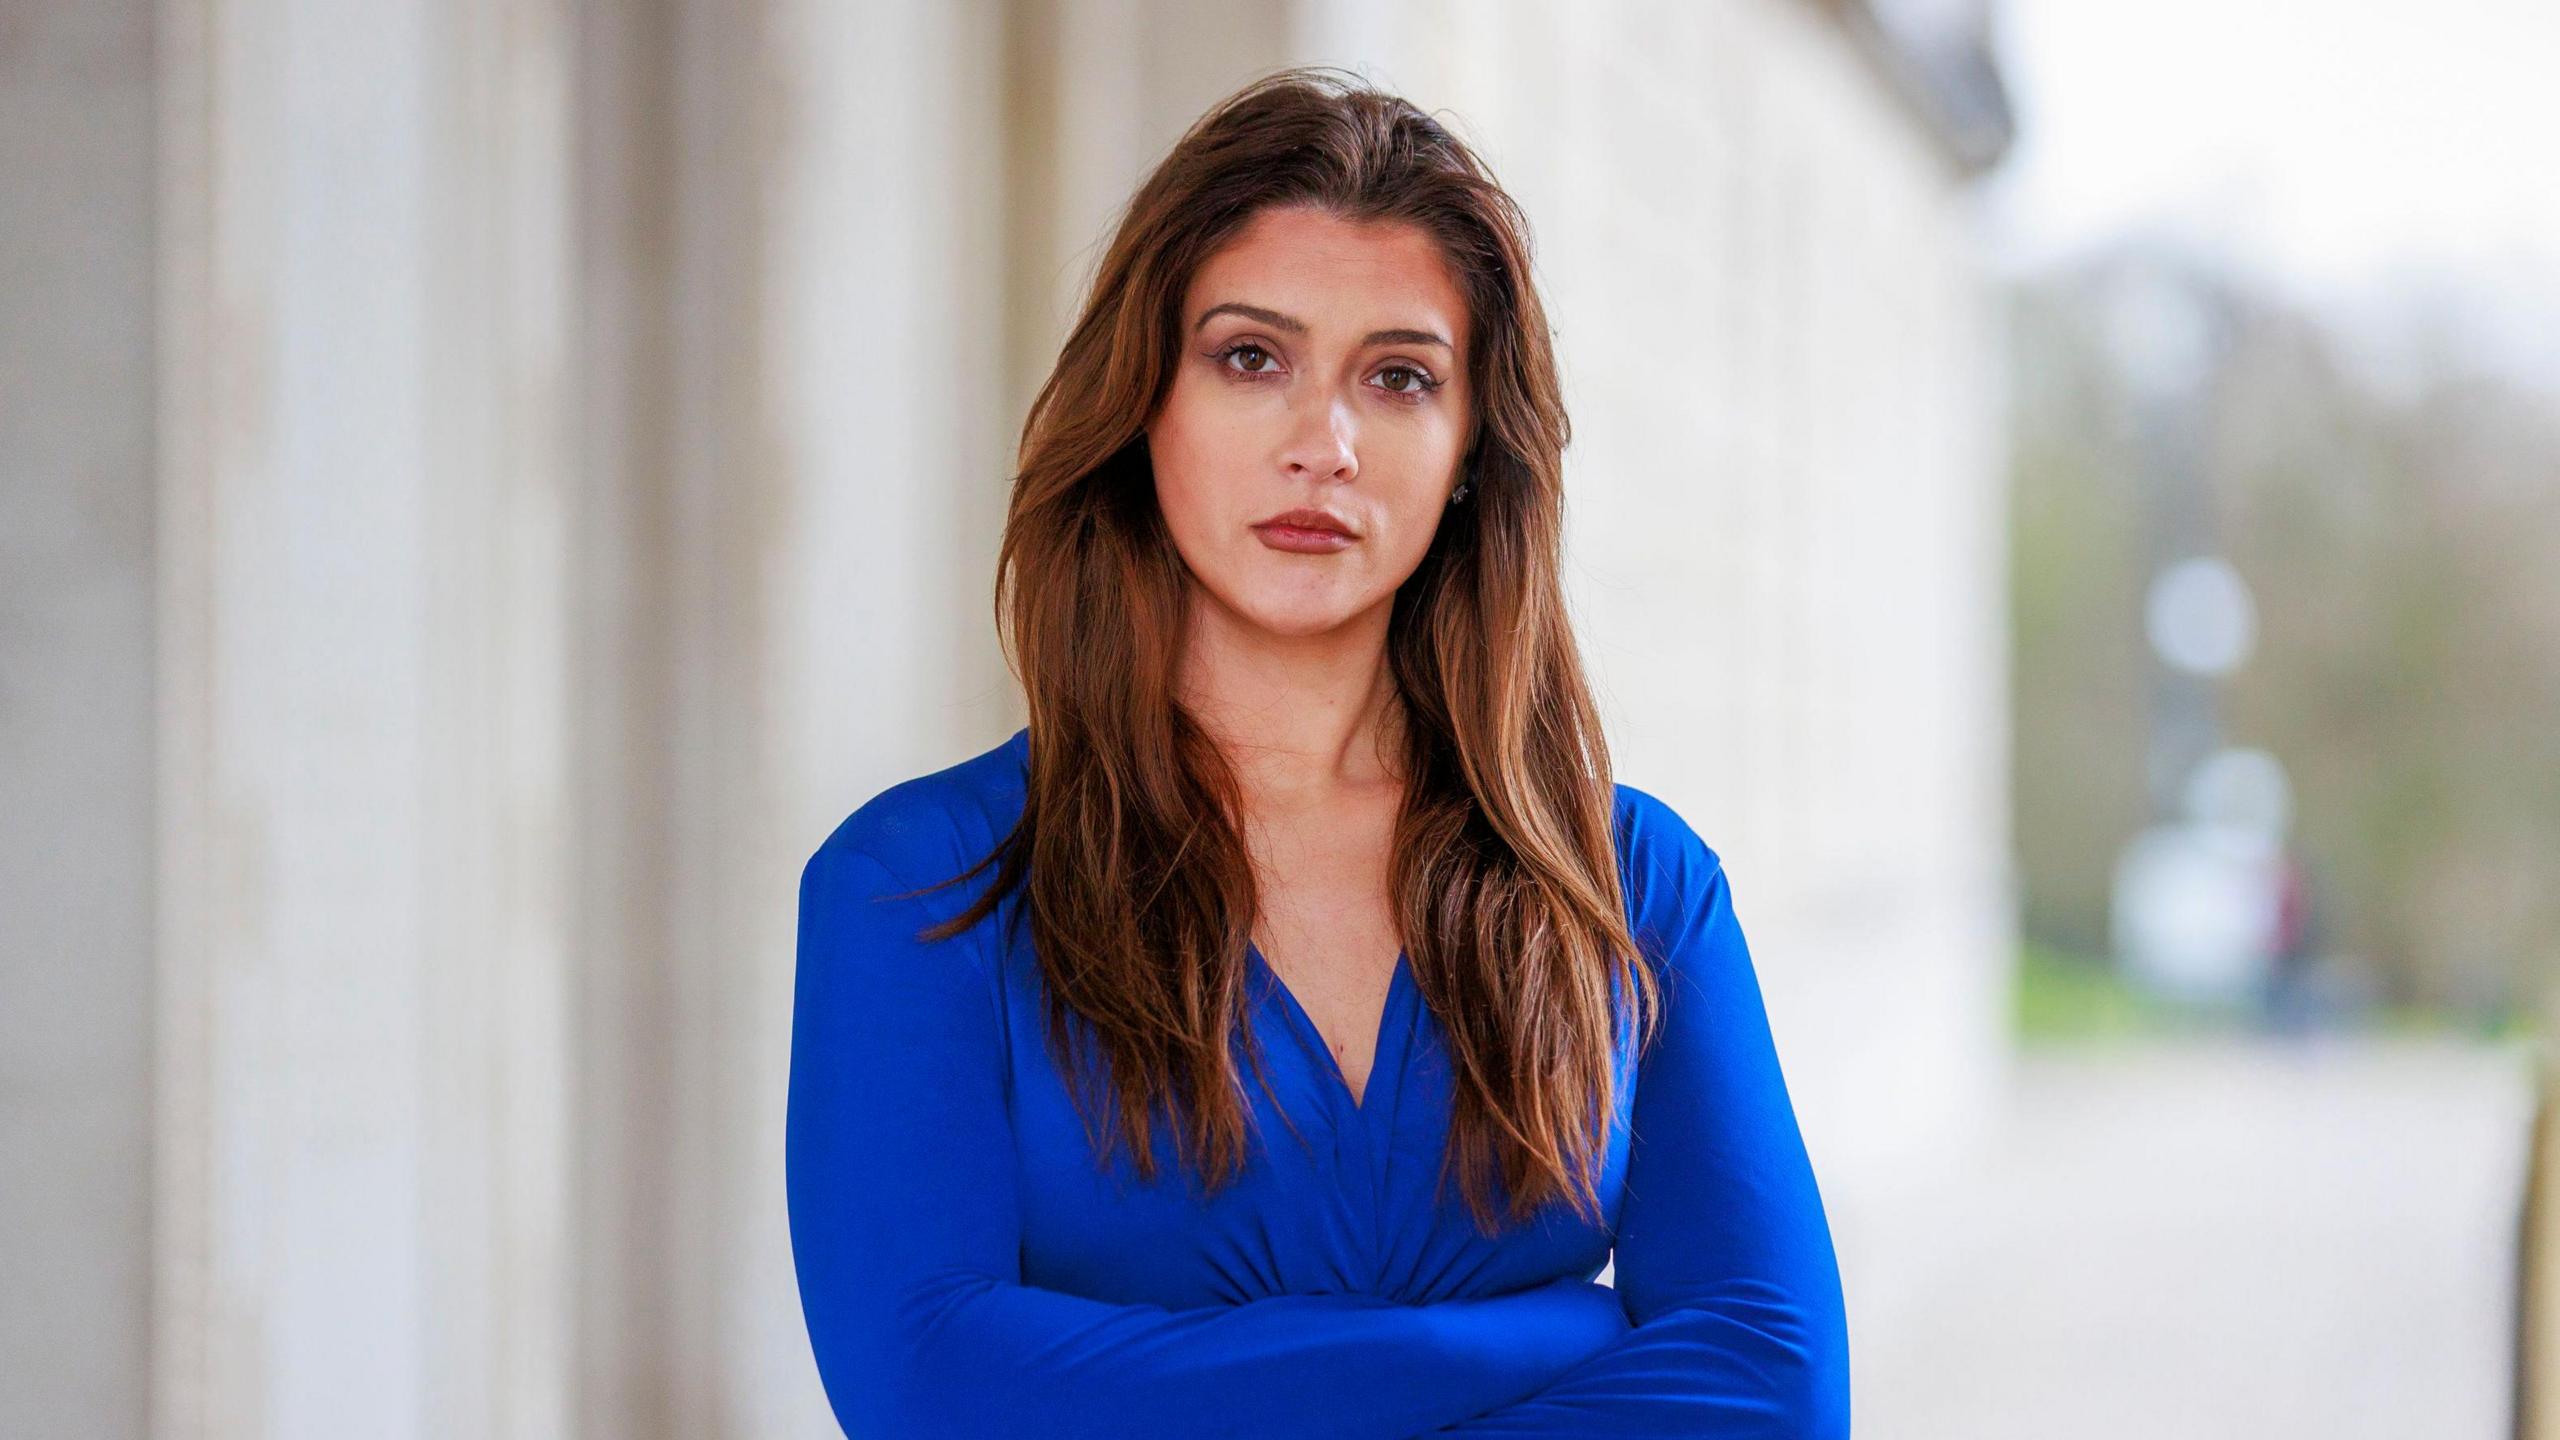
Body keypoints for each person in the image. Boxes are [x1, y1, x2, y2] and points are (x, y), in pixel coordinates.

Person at [785, 66, 1849, 1438]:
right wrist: (1555, 1334)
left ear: (1470, 447)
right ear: (1144, 403)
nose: (1324, 445)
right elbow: (934, 1386)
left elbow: (1774, 1387)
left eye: (1399, 377)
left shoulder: (1628, 884)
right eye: (1251, 358)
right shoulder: (922, 888)